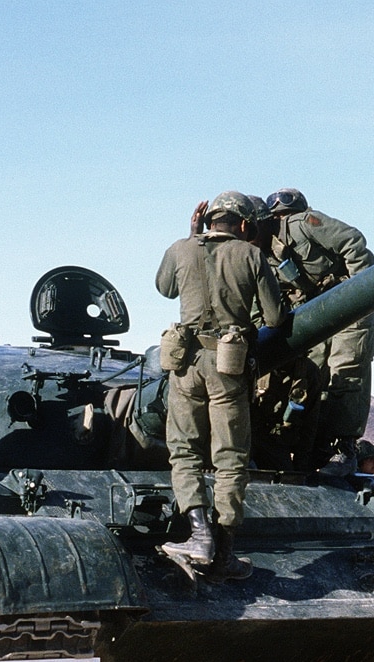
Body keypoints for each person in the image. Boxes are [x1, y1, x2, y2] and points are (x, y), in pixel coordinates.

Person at [156, 191, 285, 580]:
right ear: (245, 224)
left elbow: (164, 288)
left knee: (184, 451)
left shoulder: (181, 248)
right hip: (227, 365)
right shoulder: (251, 255)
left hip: (186, 365)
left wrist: (190, 238)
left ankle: (198, 534)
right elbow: (276, 317)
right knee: (230, 457)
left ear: (208, 219)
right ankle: (224, 551)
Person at [263, 188, 374, 476]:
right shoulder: (262, 249)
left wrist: (361, 291)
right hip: (312, 315)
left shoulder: (304, 224)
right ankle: (313, 447)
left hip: (347, 305)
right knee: (312, 377)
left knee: (346, 372)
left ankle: (342, 447)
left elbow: (352, 241)